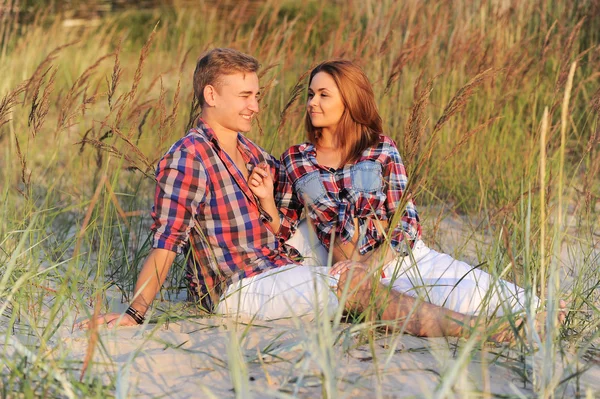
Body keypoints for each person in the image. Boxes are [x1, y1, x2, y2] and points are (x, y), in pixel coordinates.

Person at [78, 49, 523, 341]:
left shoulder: (253, 152)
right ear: (210, 95)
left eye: (257, 95)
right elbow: (167, 238)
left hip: (283, 267)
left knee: (367, 266)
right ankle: (479, 332)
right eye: (245, 96)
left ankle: (507, 306)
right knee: (352, 286)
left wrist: (278, 204)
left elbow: (295, 209)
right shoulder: (188, 156)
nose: (256, 105)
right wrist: (135, 313)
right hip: (240, 288)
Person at [248, 59, 564, 324]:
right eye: (311, 94)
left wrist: (369, 265)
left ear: (349, 101)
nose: (312, 102)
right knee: (446, 310)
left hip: (401, 260)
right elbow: (286, 227)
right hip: (348, 275)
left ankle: (542, 315)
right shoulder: (296, 158)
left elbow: (407, 223)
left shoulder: (380, 149)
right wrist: (265, 200)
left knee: (489, 297)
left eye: (323, 95)